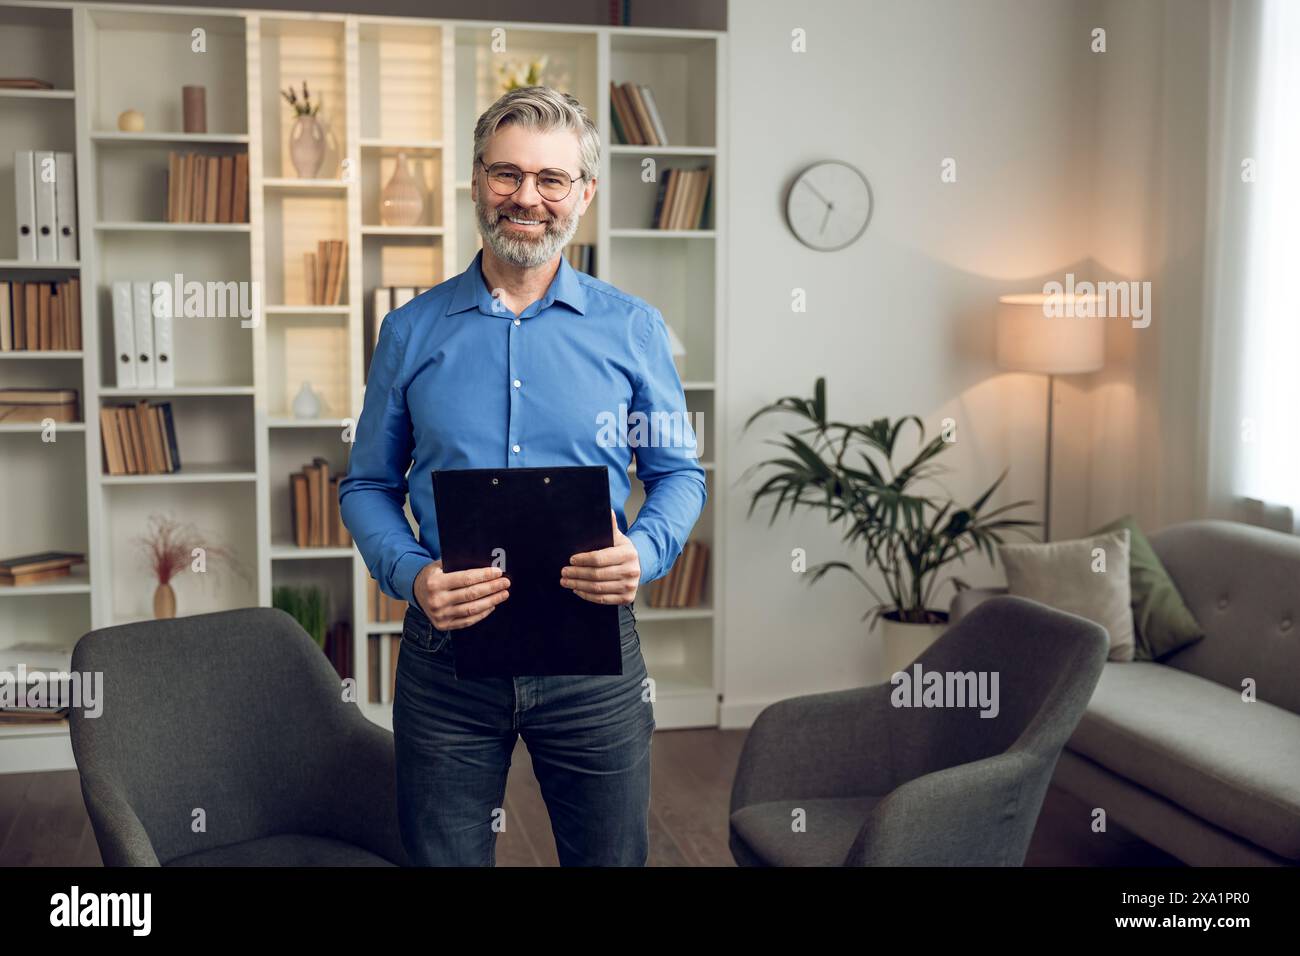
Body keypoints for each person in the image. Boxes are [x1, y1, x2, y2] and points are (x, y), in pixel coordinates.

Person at [338, 85, 707, 866]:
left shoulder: (633, 328)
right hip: (447, 659)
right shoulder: (410, 332)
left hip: (593, 656)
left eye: (551, 179)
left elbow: (679, 473)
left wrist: (645, 550)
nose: (526, 198)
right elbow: (366, 484)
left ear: (585, 194)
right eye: (507, 175)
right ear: (477, 182)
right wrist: (411, 575)